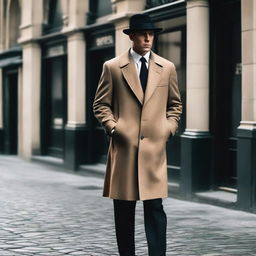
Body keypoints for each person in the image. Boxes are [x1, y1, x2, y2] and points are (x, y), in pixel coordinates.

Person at [93, 13, 182, 256]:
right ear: (131, 36)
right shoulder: (112, 67)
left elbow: (175, 105)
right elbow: (101, 105)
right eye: (143, 34)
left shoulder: (167, 68)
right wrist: (113, 128)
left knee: (155, 209)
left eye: (151, 34)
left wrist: (168, 129)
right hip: (124, 148)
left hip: (154, 150)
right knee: (123, 210)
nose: (147, 38)